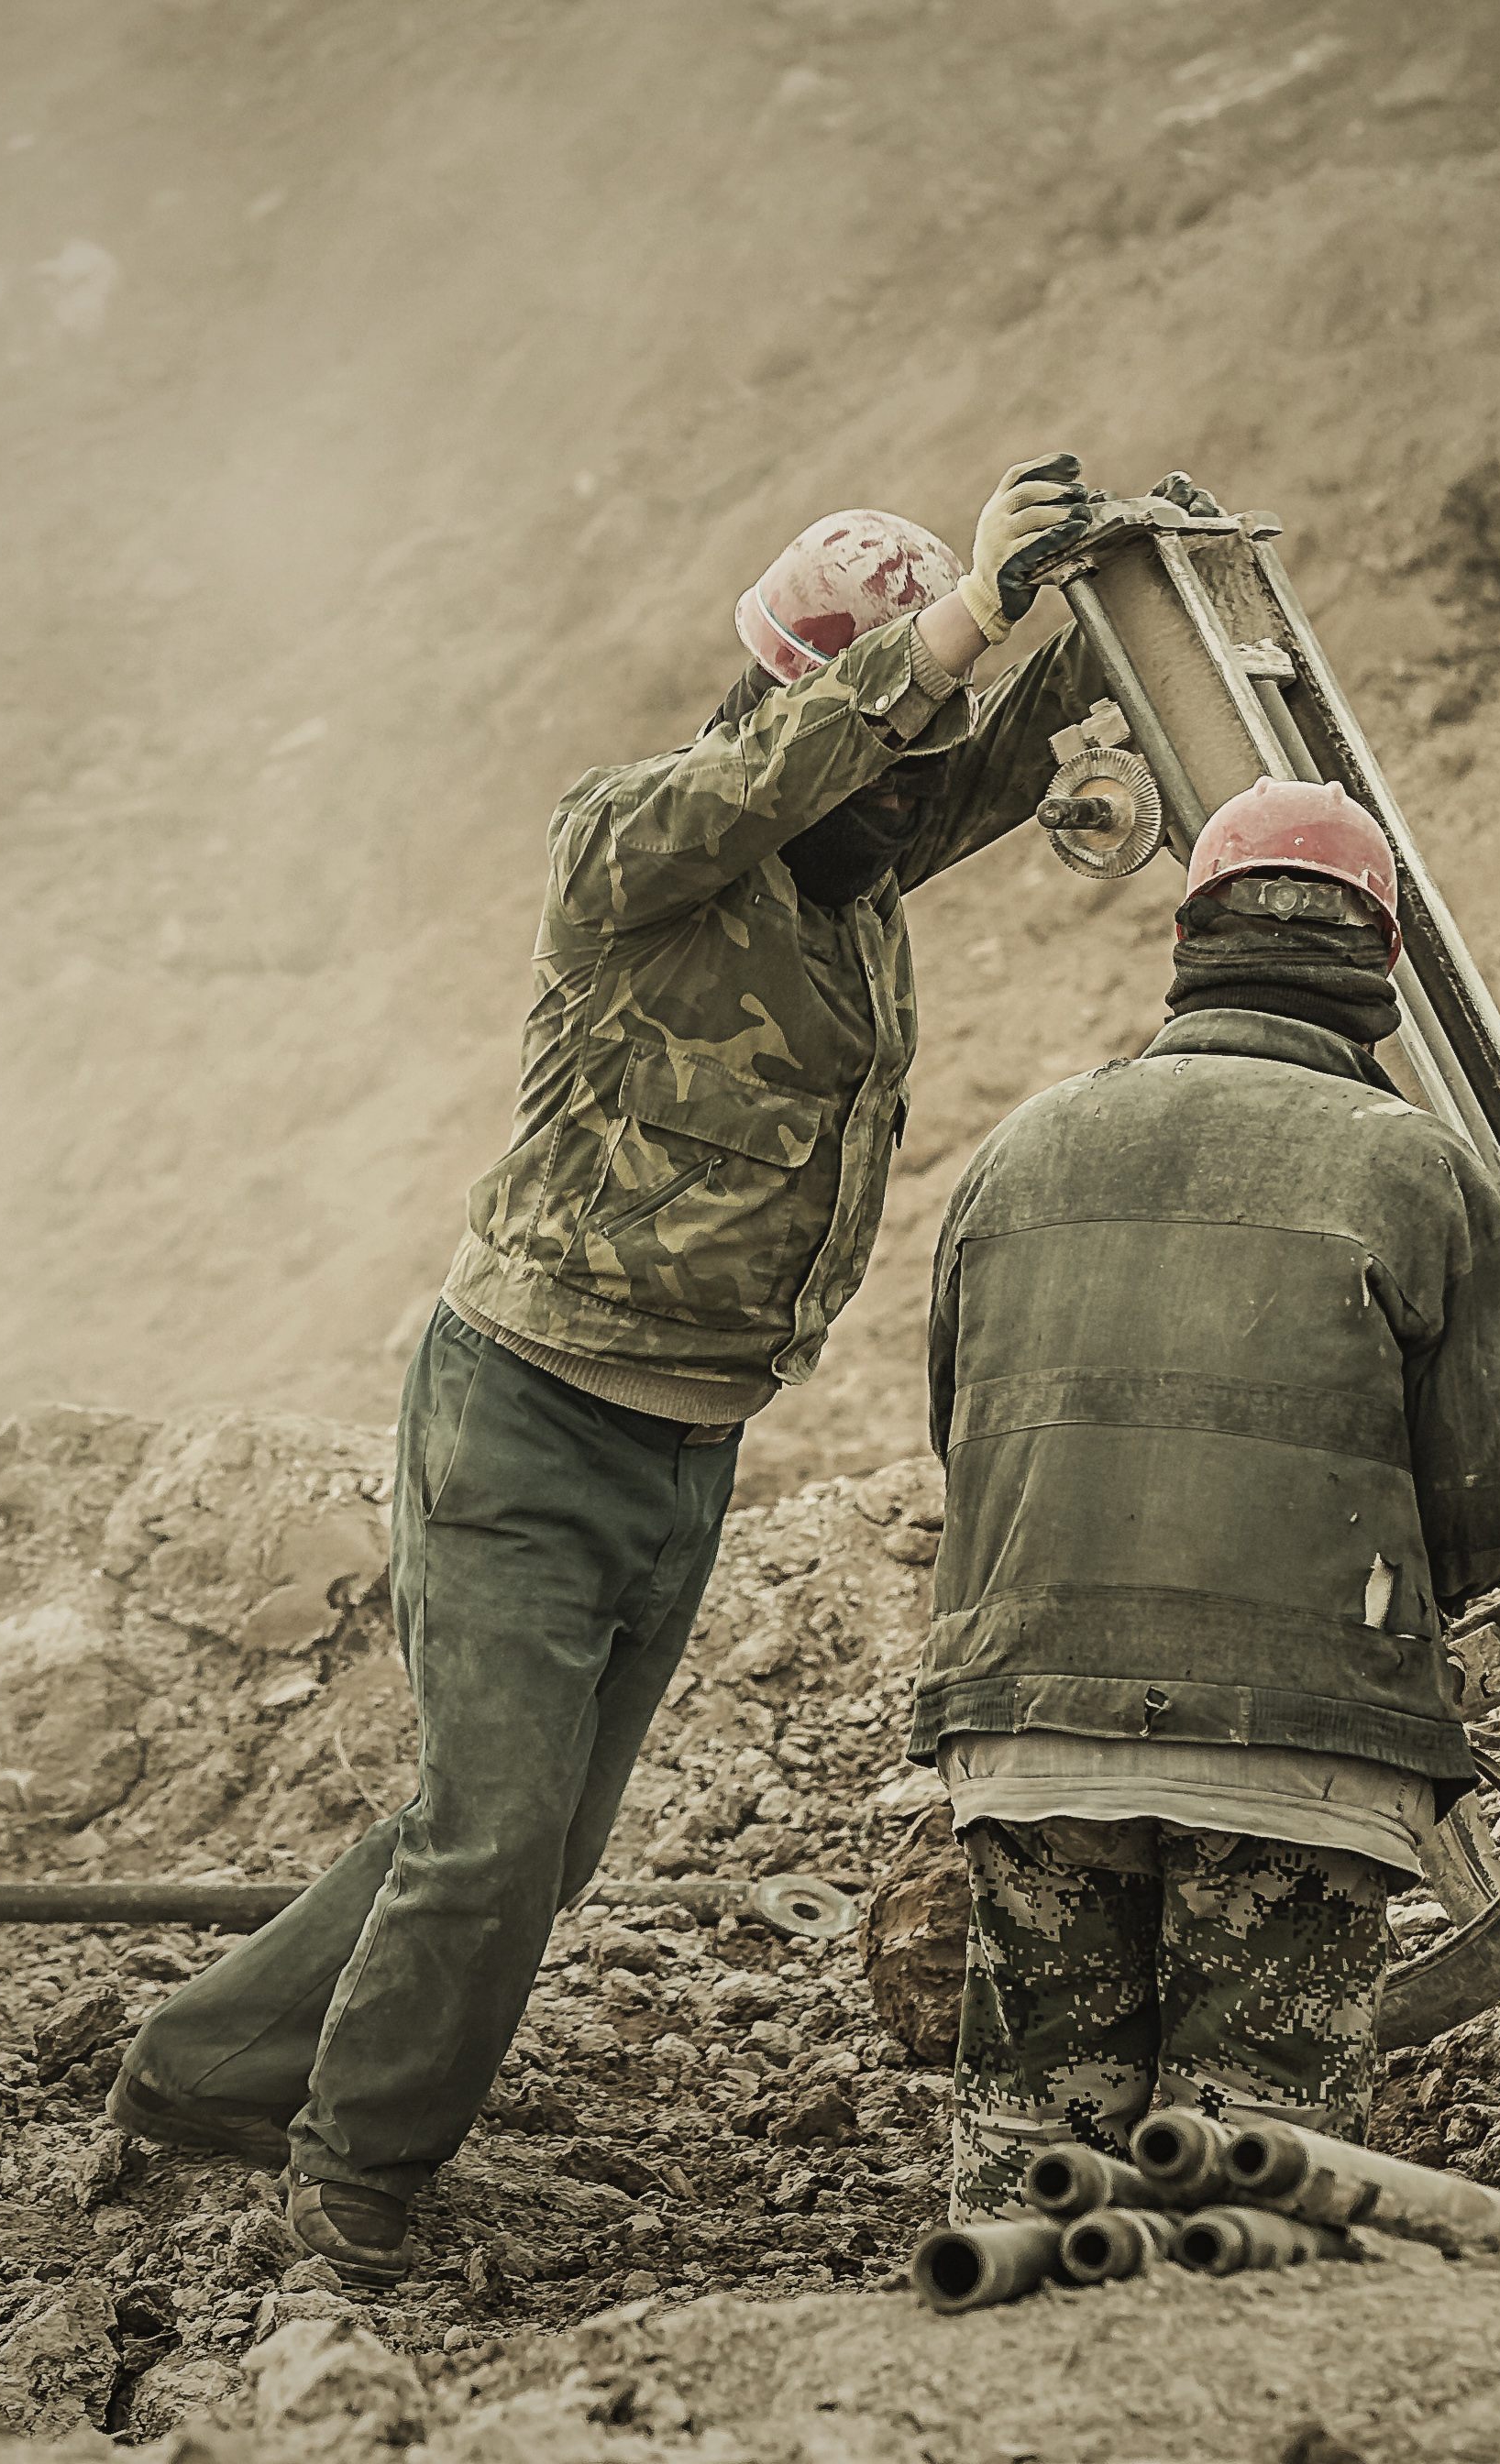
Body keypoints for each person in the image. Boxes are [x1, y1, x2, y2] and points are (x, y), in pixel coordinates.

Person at [105, 455, 1109, 2285]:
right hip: (525, 1419)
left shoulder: (848, 873)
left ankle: (201, 2067)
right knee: (492, 1843)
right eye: (877, 748)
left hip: (684, 1452)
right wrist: (956, 622)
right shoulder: (639, 848)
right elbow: (796, 778)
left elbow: (953, 781)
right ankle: (356, 2179)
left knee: (528, 1847)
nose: (909, 801)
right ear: (794, 710)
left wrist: (1083, 615)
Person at [915, 778, 1500, 2217]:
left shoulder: (1018, 1146)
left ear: (1187, 938)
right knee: (1254, 2199)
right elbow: (1490, 1499)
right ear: (1383, 968)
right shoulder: (1420, 1168)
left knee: (1036, 2176)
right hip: (1301, 1754)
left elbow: (963, 1432)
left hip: (1030, 1733)